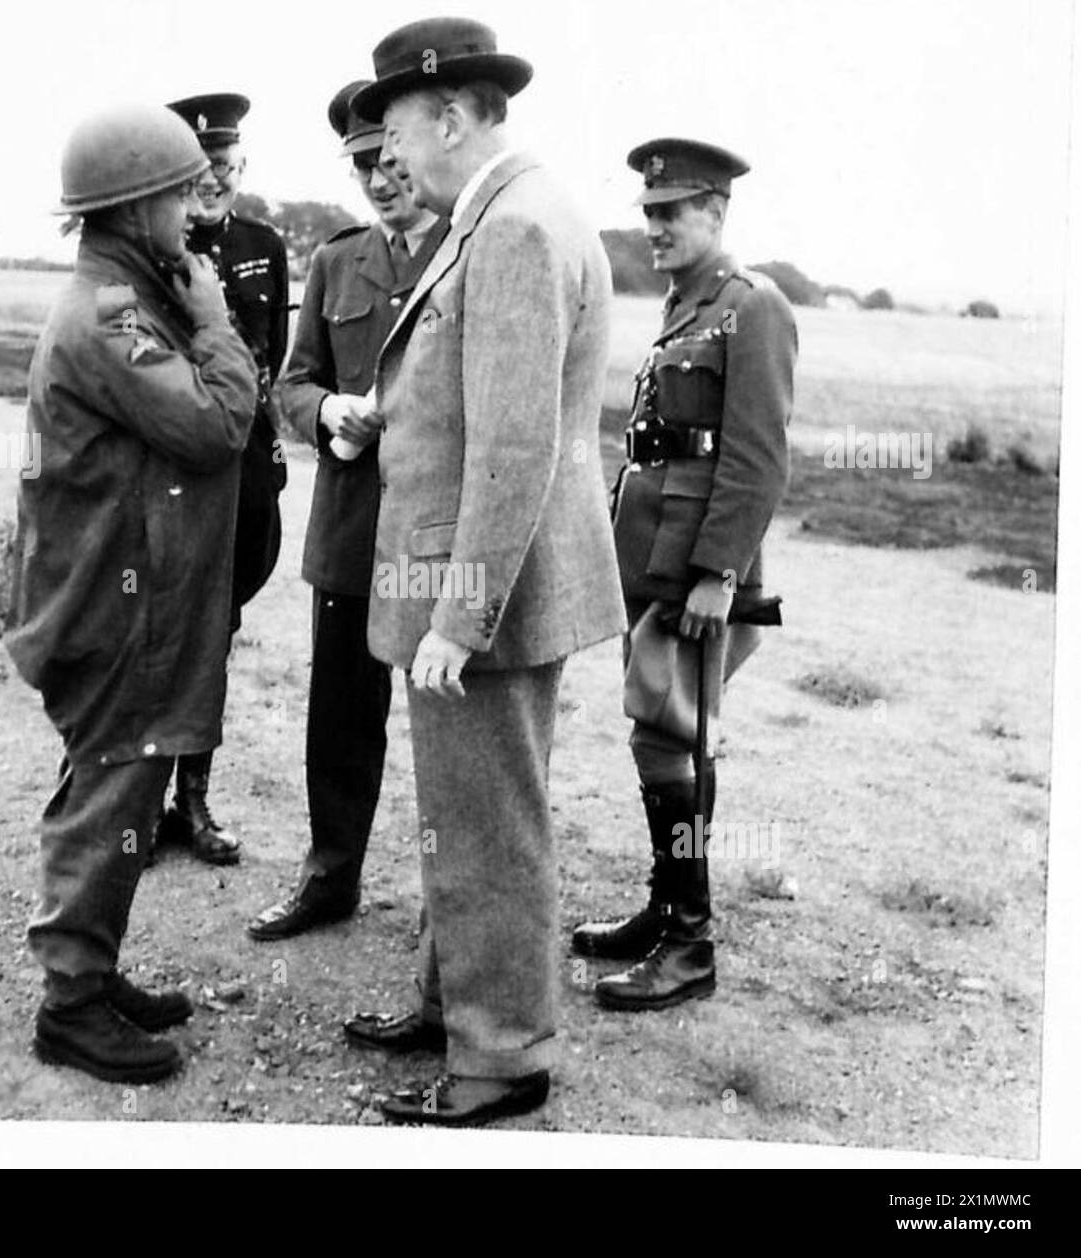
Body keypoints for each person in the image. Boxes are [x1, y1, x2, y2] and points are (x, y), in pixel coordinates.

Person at [339, 18, 625, 1126]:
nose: (388, 152)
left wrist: (459, 616)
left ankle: (502, 1055)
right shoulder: (508, 212)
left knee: (488, 824)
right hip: (473, 586)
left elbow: (514, 447)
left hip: (480, 599)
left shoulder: (512, 228)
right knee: (461, 810)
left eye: (398, 127)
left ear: (450, 115)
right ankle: (453, 999)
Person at [5, 102, 258, 1082]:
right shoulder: (114, 314)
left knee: (123, 773)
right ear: (135, 204)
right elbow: (215, 424)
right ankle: (69, 1003)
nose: (194, 210)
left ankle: (90, 972)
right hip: (112, 605)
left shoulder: (128, 295)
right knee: (113, 775)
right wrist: (215, 318)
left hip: (123, 591)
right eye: (179, 193)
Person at [571, 138, 796, 1012]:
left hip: (698, 569)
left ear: (717, 212)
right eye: (649, 212)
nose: (655, 226)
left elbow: (757, 455)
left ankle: (690, 943)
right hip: (655, 554)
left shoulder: (753, 306)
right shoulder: (686, 304)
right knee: (660, 731)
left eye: (672, 211)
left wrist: (719, 574)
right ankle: (666, 909)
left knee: (676, 734)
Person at [247, 80, 448, 942]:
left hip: (442, 540)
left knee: (454, 729)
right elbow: (292, 383)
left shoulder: (470, 251)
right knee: (338, 718)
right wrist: (328, 413)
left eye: (389, 160)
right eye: (363, 163)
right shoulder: (335, 262)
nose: (379, 177)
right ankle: (331, 879)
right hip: (352, 532)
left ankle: (457, 913)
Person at [149, 92, 290, 867]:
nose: (215, 183)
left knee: (219, 630)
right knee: (162, 631)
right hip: (175, 467)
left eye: (227, 167)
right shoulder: (151, 252)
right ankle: (142, 804)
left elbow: (274, 363)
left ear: (242, 166)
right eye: (201, 170)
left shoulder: (267, 245)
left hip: (244, 470)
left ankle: (192, 801)